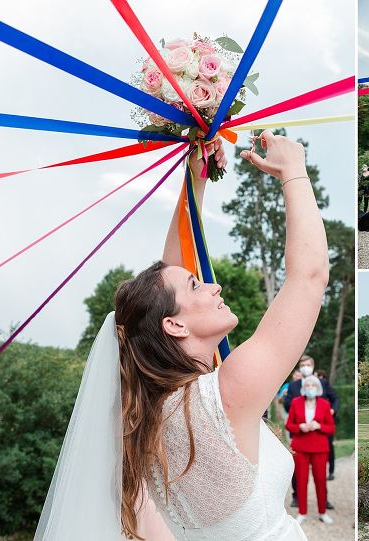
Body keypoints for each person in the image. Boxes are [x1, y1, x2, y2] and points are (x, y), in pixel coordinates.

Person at [35, 134, 327, 540]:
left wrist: (196, 176)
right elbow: (309, 277)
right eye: (197, 285)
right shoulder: (227, 393)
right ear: (173, 326)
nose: (214, 287)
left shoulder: (150, 417)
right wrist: (293, 169)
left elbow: (170, 281)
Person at [285, 355, 340, 493]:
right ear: (299, 367)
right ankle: (297, 495)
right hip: (300, 432)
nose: (305, 367)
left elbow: (335, 398)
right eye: (303, 365)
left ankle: (324, 500)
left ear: (313, 366)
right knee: (298, 466)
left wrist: (332, 411)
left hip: (320, 430)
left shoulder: (322, 383)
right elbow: (287, 405)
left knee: (321, 468)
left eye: (308, 364)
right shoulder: (293, 386)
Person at [286, 375, 336, 525]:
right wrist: (299, 427)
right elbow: (289, 425)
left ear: (318, 388)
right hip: (300, 446)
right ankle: (302, 512)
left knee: (320, 480)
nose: (310, 388)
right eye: (307, 385)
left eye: (312, 385)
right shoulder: (296, 402)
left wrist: (319, 426)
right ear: (303, 388)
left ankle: (322, 512)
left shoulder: (325, 404)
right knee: (301, 480)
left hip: (320, 448)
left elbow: (331, 428)